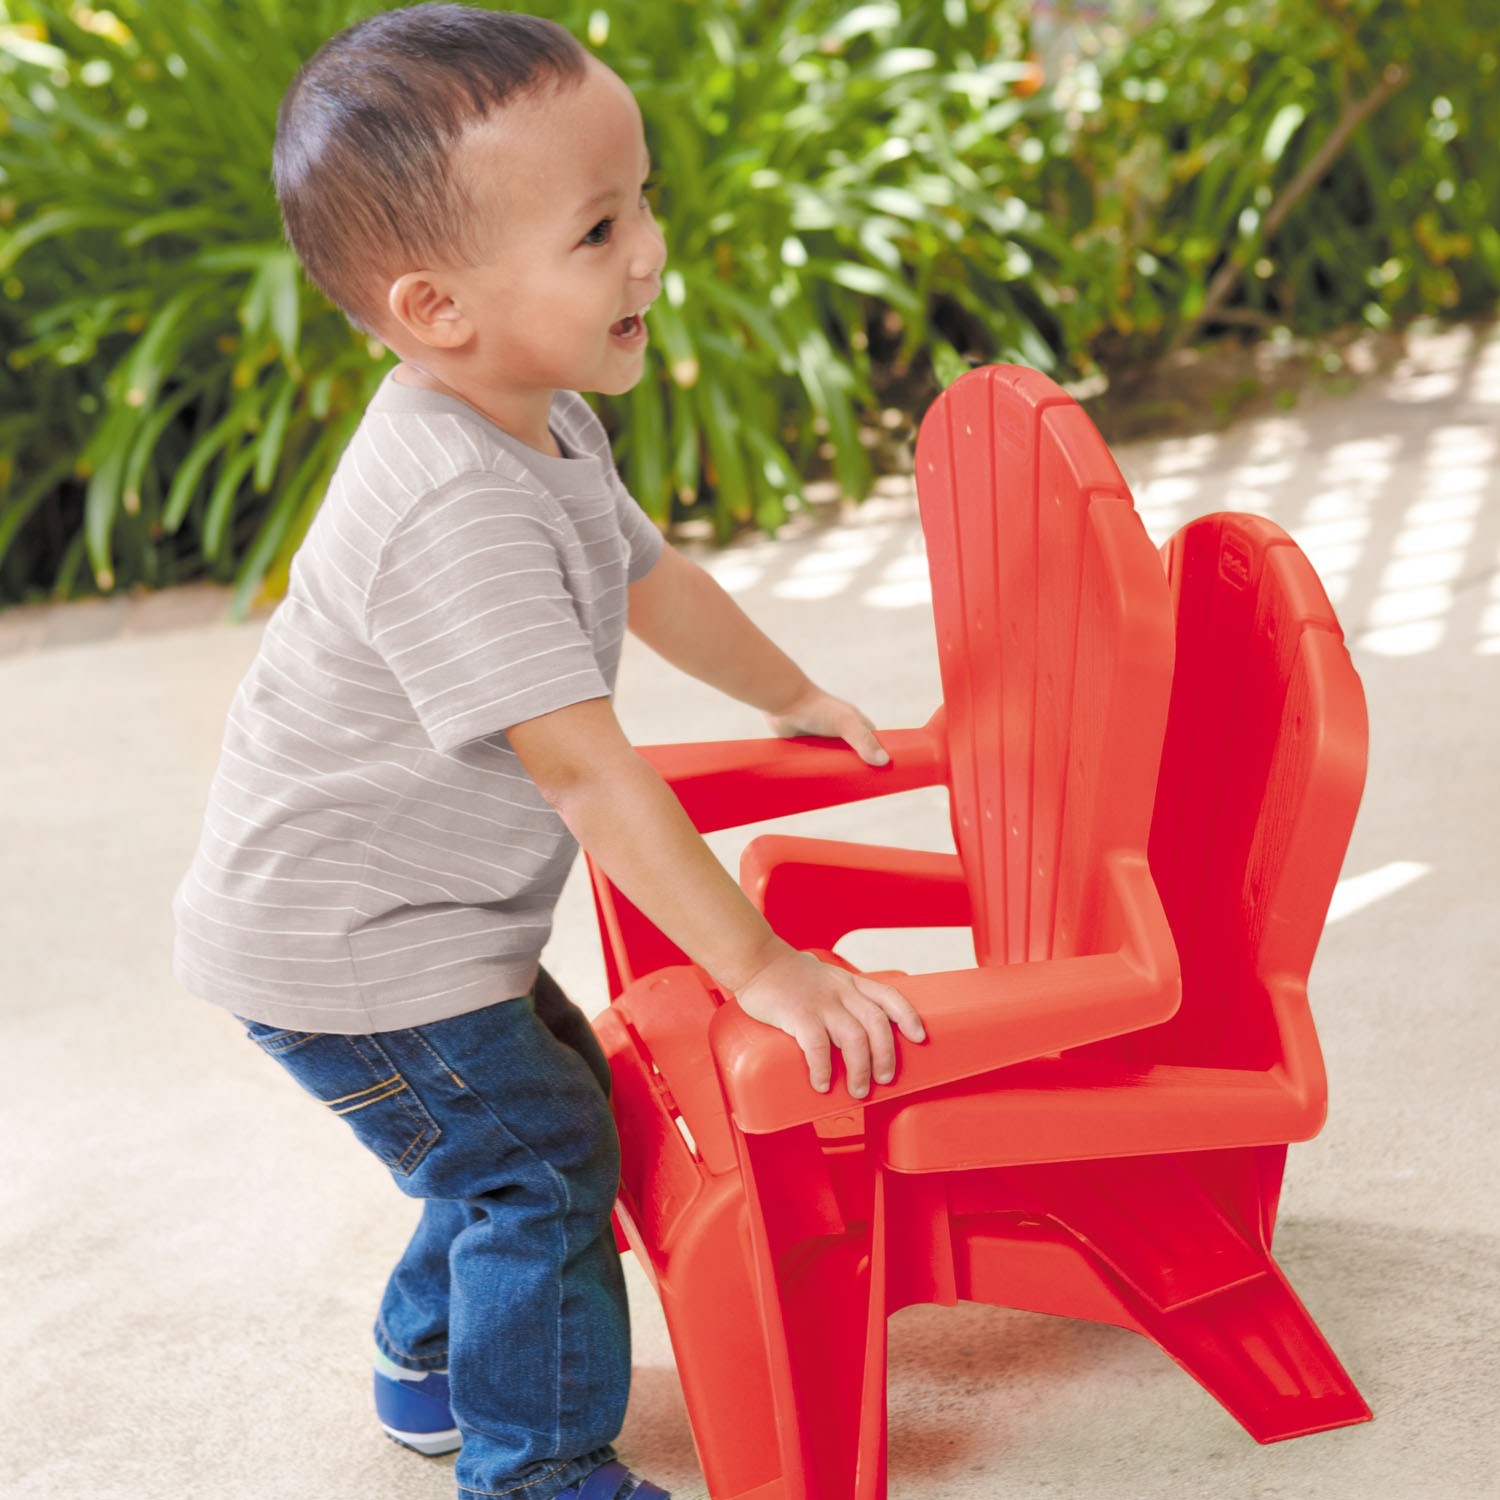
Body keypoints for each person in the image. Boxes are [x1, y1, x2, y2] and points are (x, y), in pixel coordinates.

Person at [172, 7, 926, 1500]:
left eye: (641, 201)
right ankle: (537, 1470)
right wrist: (763, 968)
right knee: (537, 1158)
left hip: (416, 918)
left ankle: (428, 1364)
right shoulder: (451, 506)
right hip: (351, 940)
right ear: (438, 307)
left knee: (513, 1124)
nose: (650, 251)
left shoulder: (540, 418)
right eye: (597, 229)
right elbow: (590, 776)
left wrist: (788, 690)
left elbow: (652, 578)